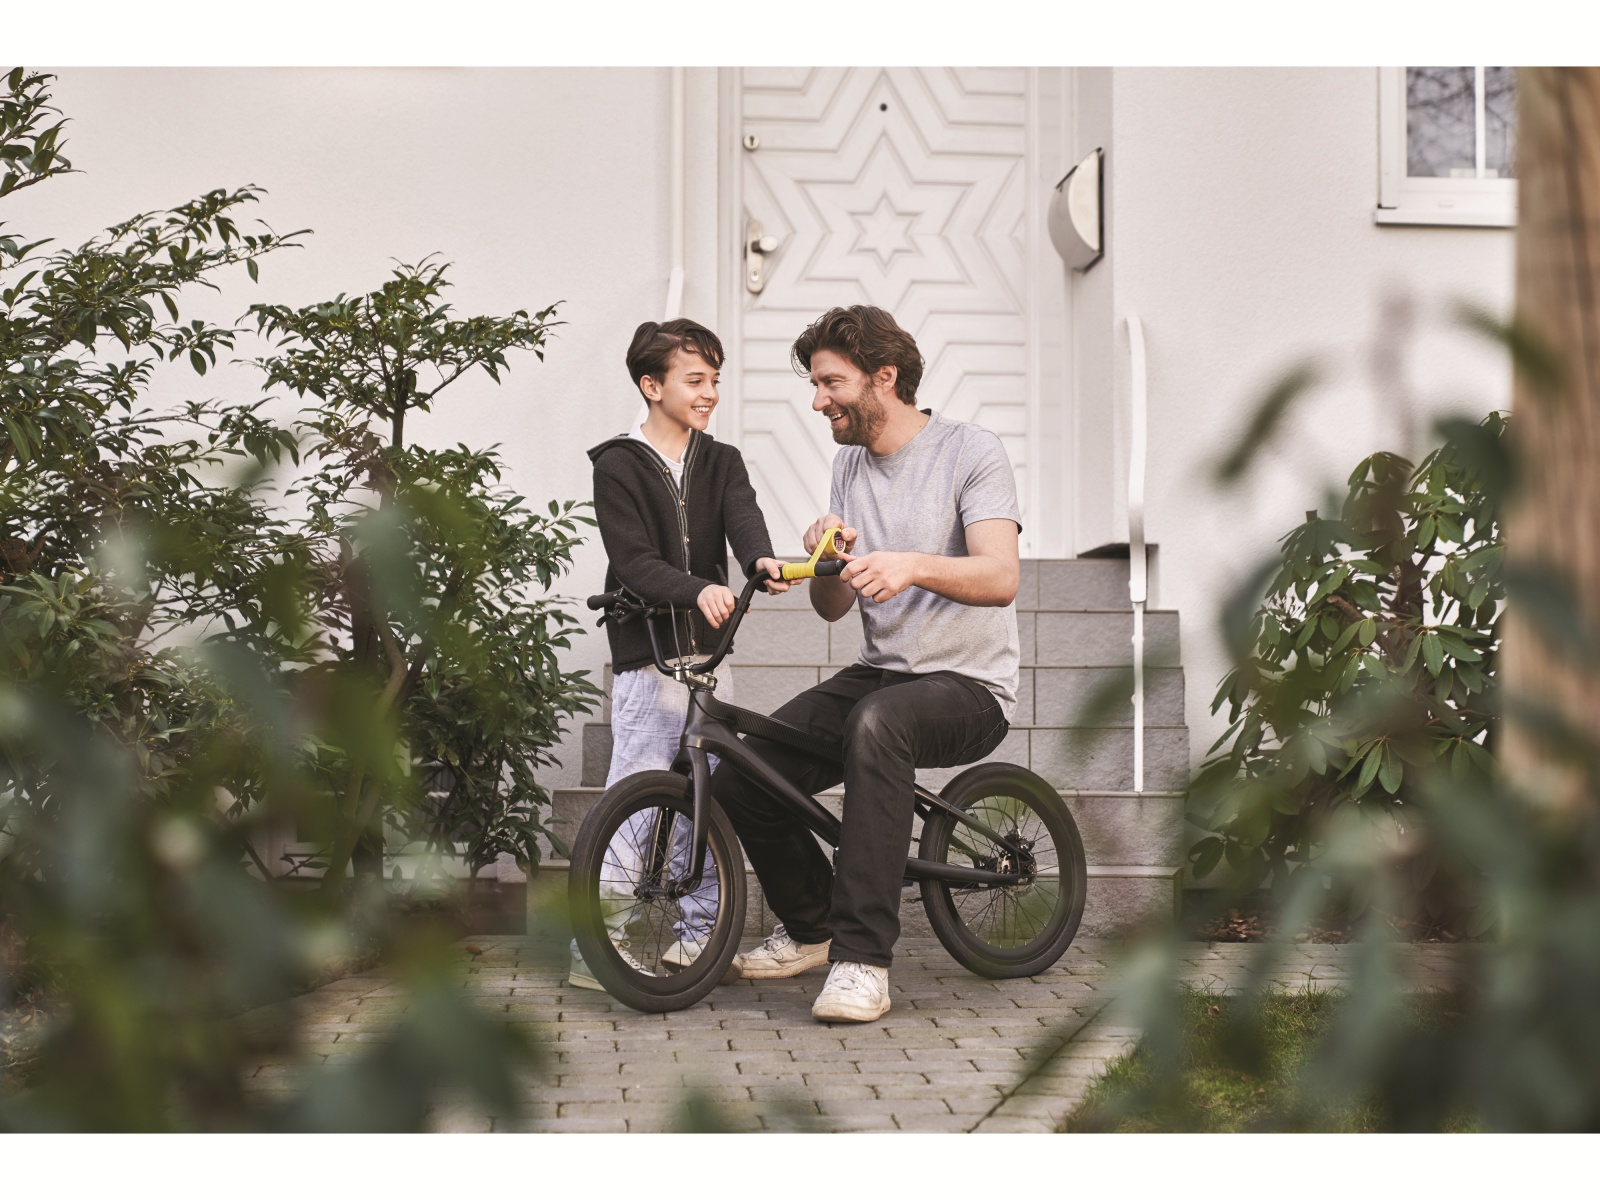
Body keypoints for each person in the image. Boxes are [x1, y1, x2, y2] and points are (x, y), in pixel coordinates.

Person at [713, 305, 1021, 1023]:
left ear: (885, 377)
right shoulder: (848, 464)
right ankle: (812, 926)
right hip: (882, 675)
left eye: (831, 383)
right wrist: (827, 557)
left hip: (970, 686)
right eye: (816, 385)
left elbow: (1001, 576)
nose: (818, 401)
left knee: (877, 723)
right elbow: (831, 608)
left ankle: (862, 961)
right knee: (744, 773)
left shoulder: (971, 451)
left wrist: (911, 565)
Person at [570, 318, 789, 991]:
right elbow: (634, 562)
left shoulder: (721, 461)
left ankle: (700, 939)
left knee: (708, 800)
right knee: (638, 797)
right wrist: (697, 590)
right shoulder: (617, 465)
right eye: (695, 380)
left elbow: (744, 520)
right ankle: (596, 947)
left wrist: (760, 560)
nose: (709, 392)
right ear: (651, 385)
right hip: (651, 660)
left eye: (715, 380)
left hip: (709, 657)